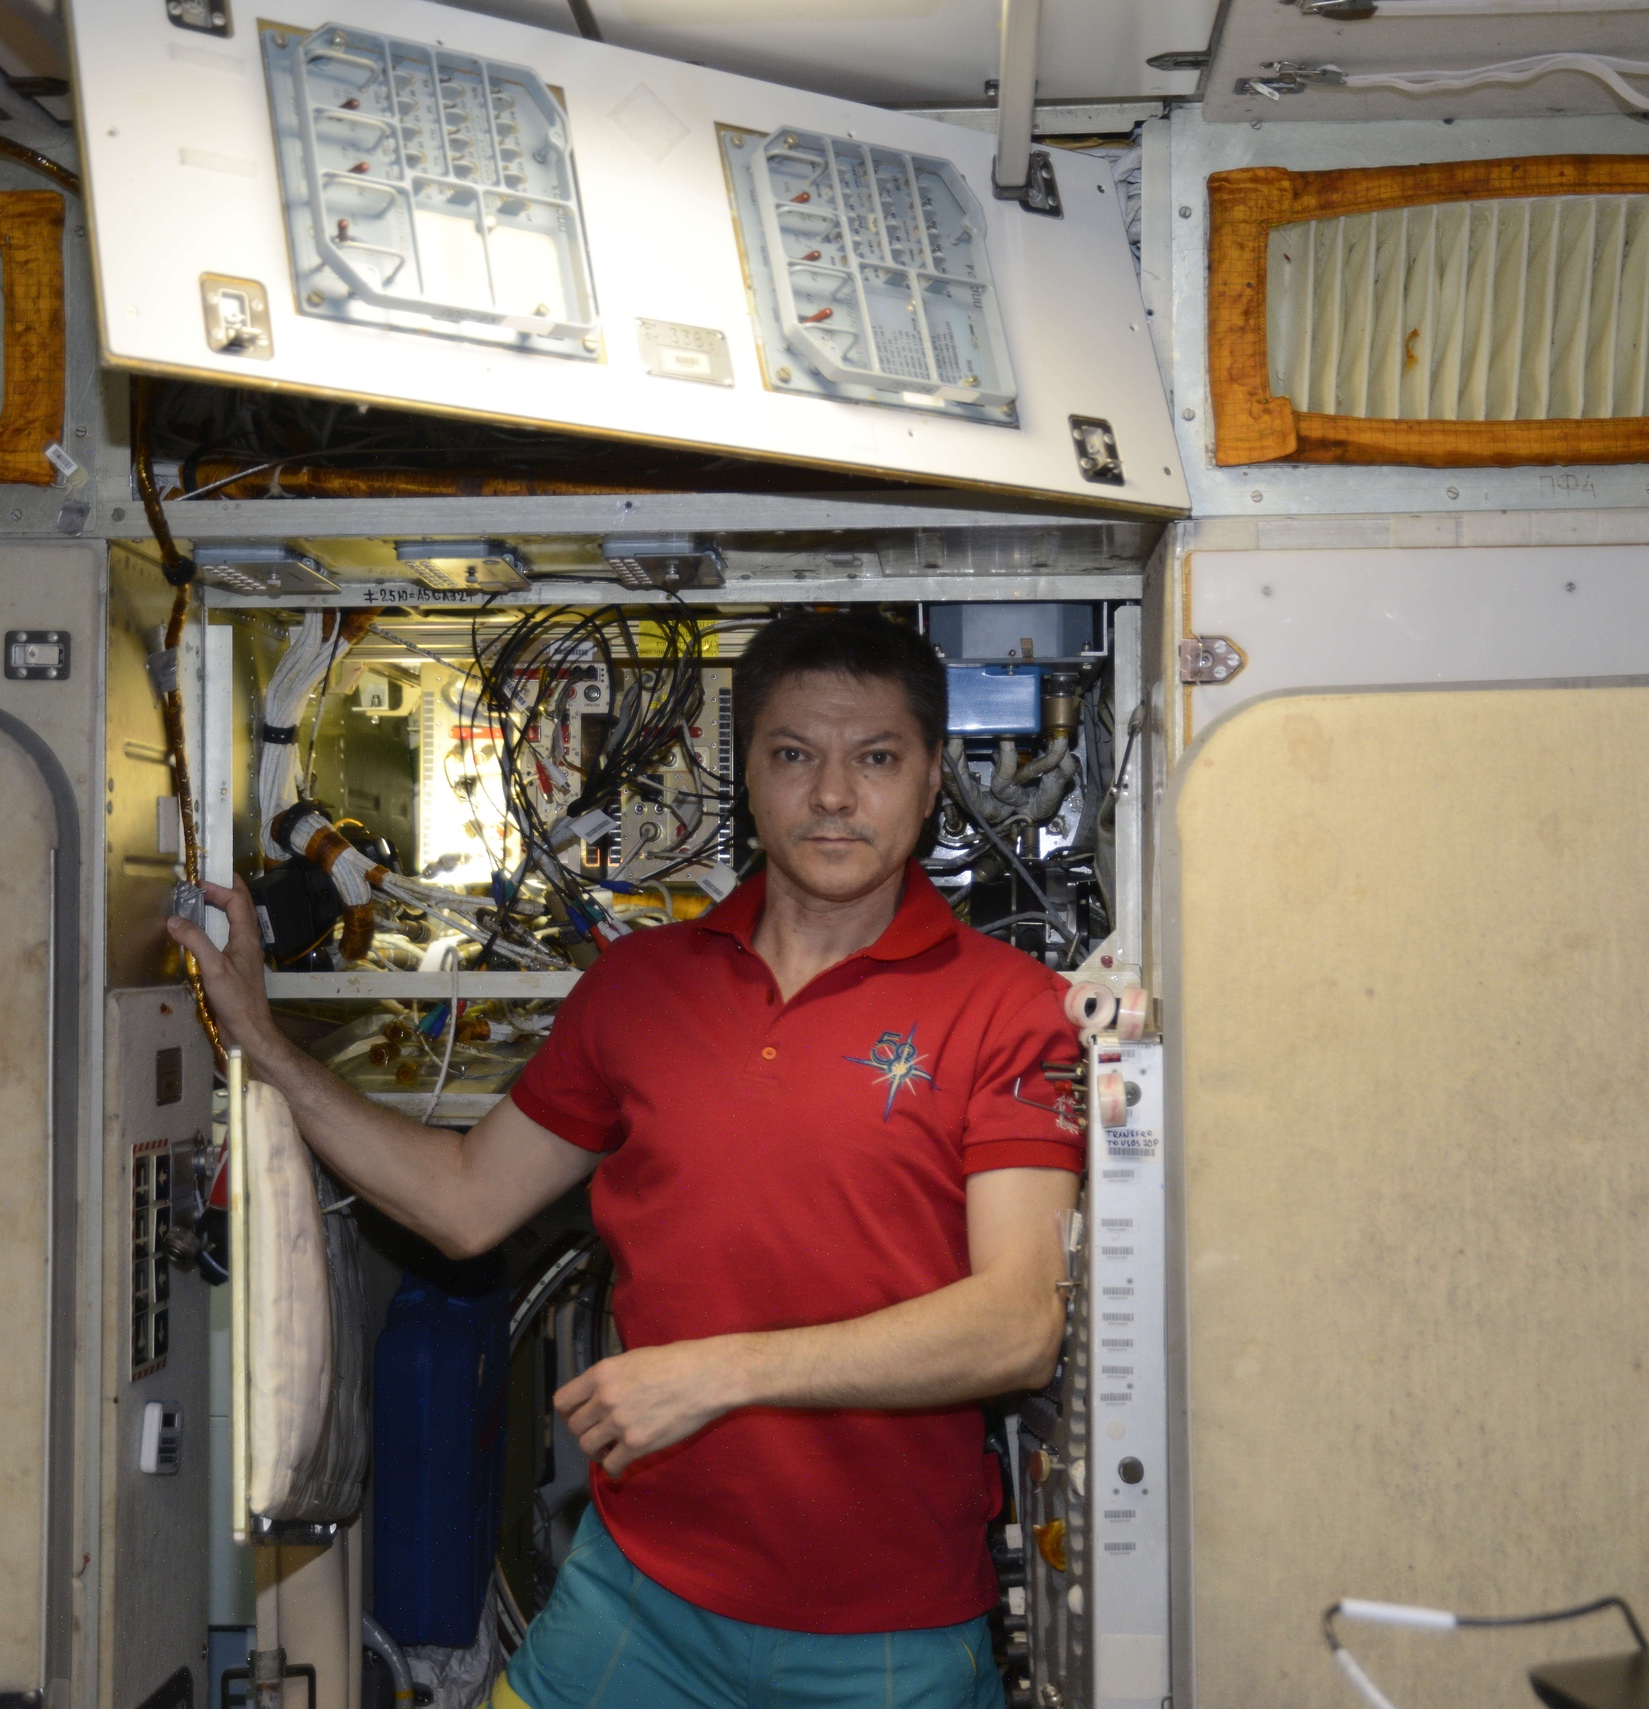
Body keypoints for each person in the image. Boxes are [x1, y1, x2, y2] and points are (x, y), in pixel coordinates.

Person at [171, 609, 1085, 1709]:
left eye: (877, 758)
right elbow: (464, 1201)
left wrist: (720, 1372)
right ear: (746, 772)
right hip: (638, 1598)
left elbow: (1017, 1324)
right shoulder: (641, 987)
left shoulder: (1007, 1006)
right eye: (795, 754)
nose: (834, 796)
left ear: (932, 777)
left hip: (886, 1632)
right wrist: (264, 1043)